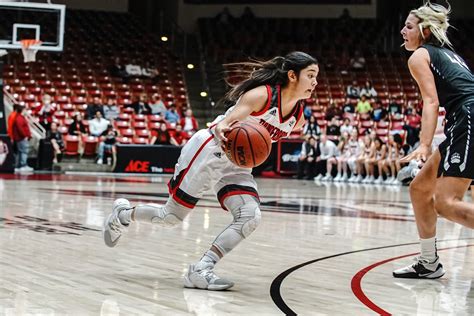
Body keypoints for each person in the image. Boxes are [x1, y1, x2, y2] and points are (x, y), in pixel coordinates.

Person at [102, 51, 318, 290]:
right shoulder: (262, 95)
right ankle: (122, 214)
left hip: (239, 164)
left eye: (316, 76)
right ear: (292, 76)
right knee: (170, 217)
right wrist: (224, 128)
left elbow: (260, 143)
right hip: (211, 150)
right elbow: (225, 124)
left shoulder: (298, 118)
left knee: (250, 216)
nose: (315, 82)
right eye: (310, 75)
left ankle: (202, 269)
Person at [393, 1, 474, 280]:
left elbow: (431, 101)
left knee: (446, 203)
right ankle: (429, 263)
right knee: (419, 189)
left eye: (409, 26)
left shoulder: (419, 56)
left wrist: (425, 145)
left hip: (468, 117)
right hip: (462, 120)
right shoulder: (448, 54)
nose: (403, 30)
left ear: (425, 30)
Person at [10, 104, 33, 172]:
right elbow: (20, 128)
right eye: (25, 110)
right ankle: (23, 165)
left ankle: (19, 166)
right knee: (23, 151)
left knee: (20, 152)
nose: (26, 111)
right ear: (22, 110)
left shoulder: (21, 117)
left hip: (21, 137)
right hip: (21, 138)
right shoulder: (19, 118)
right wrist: (25, 135)